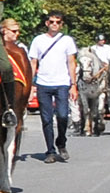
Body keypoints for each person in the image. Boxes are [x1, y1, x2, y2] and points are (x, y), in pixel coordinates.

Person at [27, 10, 80, 162]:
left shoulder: (67, 40)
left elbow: (71, 62)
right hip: (43, 83)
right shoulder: (38, 40)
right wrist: (30, 85)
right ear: (47, 23)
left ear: (61, 24)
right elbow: (33, 63)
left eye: (58, 22)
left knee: (63, 115)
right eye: (51, 22)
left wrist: (73, 84)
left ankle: (61, 142)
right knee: (46, 119)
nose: (54, 24)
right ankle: (50, 150)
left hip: (62, 83)